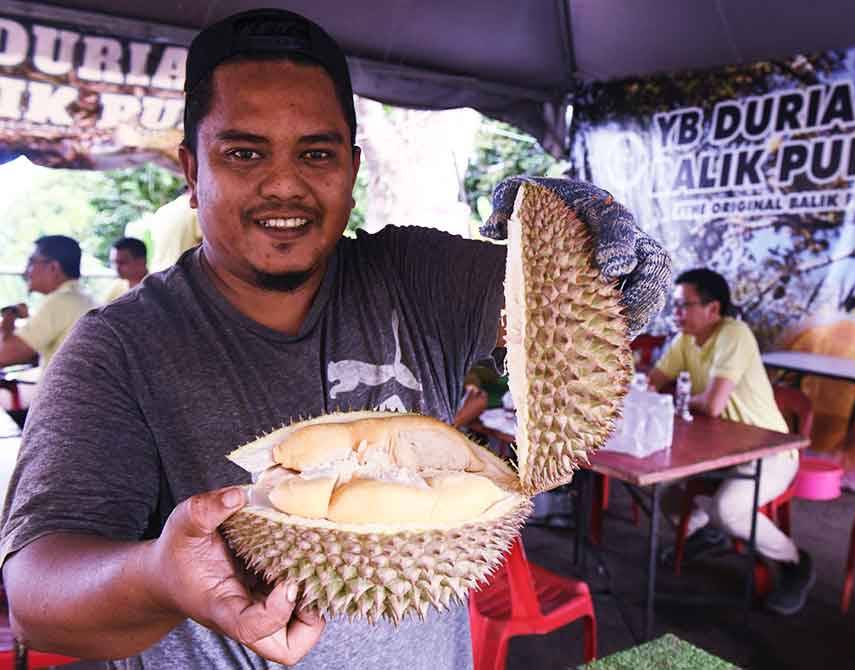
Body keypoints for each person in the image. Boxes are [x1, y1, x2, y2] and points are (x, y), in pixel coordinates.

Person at [0, 9, 671, 670]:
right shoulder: (118, 348)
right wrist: (156, 575)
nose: (284, 184)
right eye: (243, 152)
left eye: (316, 153)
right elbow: (36, 593)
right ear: (190, 170)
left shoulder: (415, 276)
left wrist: (579, 243)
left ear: (351, 171)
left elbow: (573, 317)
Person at [648, 268, 814, 615]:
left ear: (713, 309)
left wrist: (673, 399)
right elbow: (652, 383)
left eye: (684, 306)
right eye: (675, 306)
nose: (676, 314)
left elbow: (712, 404)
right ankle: (702, 532)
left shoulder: (733, 334)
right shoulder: (684, 340)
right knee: (656, 480)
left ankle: (794, 561)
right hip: (718, 449)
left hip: (770, 450)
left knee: (729, 509)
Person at [0, 235, 97, 373]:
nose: (26, 271)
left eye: (31, 262)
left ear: (53, 267)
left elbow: (4, 355)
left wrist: (11, 314)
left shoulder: (61, 302)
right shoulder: (82, 297)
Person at [103, 237, 150, 302]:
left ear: (141, 261)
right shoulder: (115, 288)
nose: (117, 268)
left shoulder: (157, 289)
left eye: (122, 262)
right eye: (113, 262)